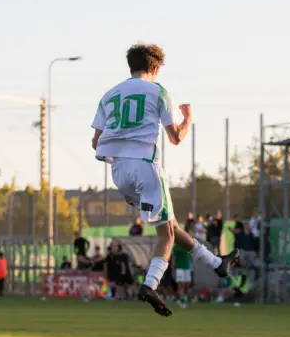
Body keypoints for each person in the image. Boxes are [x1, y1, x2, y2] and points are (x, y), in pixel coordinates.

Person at [91, 43, 238, 316]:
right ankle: (151, 284)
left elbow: (95, 141)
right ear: (156, 68)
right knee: (167, 234)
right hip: (145, 165)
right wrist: (188, 119)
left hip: (119, 172)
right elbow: (176, 138)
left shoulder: (109, 95)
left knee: (169, 224)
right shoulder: (158, 91)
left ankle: (217, 263)